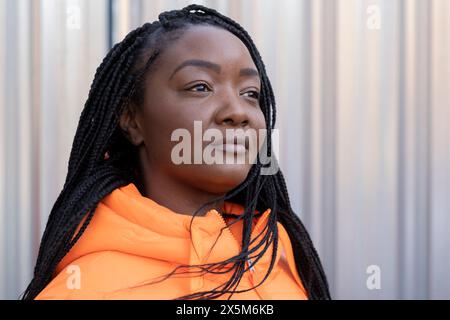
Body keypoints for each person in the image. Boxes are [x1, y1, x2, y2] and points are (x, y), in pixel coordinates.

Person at [22, 4, 330, 300]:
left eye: (250, 93)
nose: (238, 112)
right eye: (200, 86)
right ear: (131, 119)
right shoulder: (83, 289)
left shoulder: (278, 256)